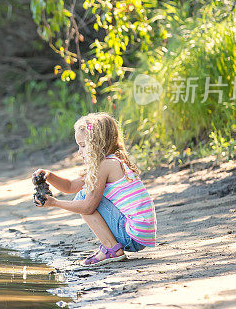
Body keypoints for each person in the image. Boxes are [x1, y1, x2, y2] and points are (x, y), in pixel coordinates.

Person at [34, 112, 157, 266]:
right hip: (140, 234)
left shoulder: (104, 166)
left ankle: (112, 248)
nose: (80, 151)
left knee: (83, 197)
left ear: (97, 144)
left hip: (132, 234)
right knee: (83, 194)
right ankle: (111, 246)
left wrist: (54, 203)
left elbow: (88, 207)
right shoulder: (109, 163)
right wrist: (49, 176)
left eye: (83, 146)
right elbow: (70, 186)